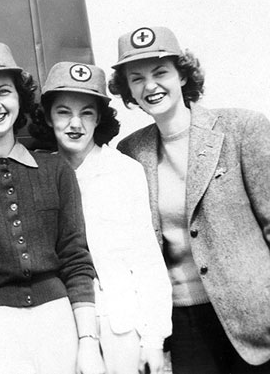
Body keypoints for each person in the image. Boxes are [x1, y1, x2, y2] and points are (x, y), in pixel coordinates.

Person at [108, 25, 270, 373]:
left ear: (182, 75)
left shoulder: (243, 129)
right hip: (184, 322)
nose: (150, 86)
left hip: (258, 318)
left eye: (160, 72)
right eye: (136, 78)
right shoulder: (130, 152)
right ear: (128, 91)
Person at [0, 43, 103, 374]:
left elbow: (76, 259)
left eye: (4, 91)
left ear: (20, 99)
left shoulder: (56, 170)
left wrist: (88, 340)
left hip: (56, 321)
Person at [27, 61, 172, 373]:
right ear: (48, 116)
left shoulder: (124, 171)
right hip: (61, 318)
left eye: (87, 113)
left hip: (121, 321)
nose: (75, 123)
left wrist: (153, 339)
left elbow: (146, 258)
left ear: (100, 119)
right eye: (63, 111)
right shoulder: (36, 172)